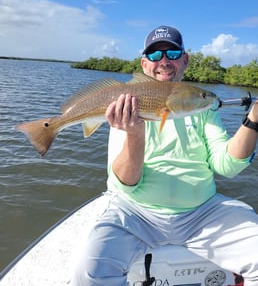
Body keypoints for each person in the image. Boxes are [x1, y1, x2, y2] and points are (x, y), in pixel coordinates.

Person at [71, 25, 258, 286]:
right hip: (135, 212)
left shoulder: (202, 107)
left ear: (185, 59)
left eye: (172, 52)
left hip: (203, 213)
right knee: (88, 273)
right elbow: (127, 181)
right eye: (155, 55)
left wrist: (253, 120)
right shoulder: (127, 105)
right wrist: (135, 133)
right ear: (144, 64)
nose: (164, 61)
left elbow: (226, 165)